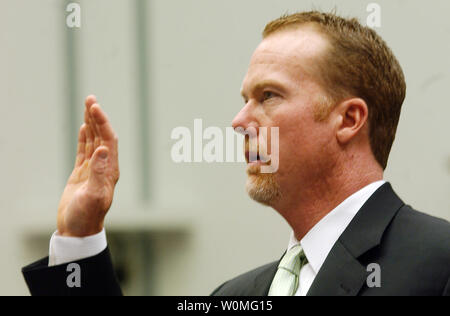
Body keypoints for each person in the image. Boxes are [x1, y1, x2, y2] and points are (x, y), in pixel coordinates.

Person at [22, 11, 450, 296]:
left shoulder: (439, 262)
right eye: (245, 98)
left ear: (349, 119)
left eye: (268, 96)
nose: (239, 121)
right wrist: (79, 237)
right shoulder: (237, 295)